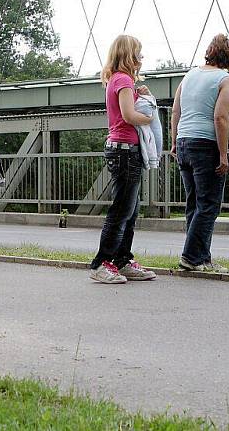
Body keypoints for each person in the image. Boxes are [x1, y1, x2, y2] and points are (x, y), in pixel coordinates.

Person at [89, 35, 157, 284]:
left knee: (130, 208)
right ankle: (101, 263)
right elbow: (129, 115)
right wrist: (149, 117)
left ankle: (122, 260)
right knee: (122, 209)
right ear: (129, 55)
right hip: (125, 149)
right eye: (139, 53)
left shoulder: (116, 79)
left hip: (124, 149)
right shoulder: (124, 79)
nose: (141, 58)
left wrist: (143, 95)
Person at [171, 34, 229, 272]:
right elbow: (220, 118)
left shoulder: (189, 75)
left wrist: (175, 142)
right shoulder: (225, 79)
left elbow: (175, 111)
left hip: (184, 142)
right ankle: (191, 257)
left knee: (194, 205)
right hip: (205, 145)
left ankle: (203, 257)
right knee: (208, 205)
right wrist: (223, 154)